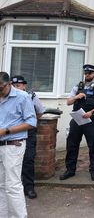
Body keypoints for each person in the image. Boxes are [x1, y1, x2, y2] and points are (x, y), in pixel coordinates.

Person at [60, 64, 94, 181]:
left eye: (89, 73)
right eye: (86, 73)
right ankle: (70, 170)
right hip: (77, 120)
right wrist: (77, 97)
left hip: (91, 120)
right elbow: (68, 102)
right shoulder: (77, 86)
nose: (87, 75)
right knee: (72, 145)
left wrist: (92, 112)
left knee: (93, 146)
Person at [0, 72, 36, 218]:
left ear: (9, 84)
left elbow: (32, 122)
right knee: (1, 185)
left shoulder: (22, 97)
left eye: (1, 88)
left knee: (13, 185)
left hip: (13, 145)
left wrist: (6, 130)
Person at [11, 75, 45, 199]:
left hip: (28, 132)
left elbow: (40, 111)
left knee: (28, 159)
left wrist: (30, 121)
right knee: (11, 160)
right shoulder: (9, 97)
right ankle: (14, 188)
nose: (16, 88)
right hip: (12, 132)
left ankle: (29, 187)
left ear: (24, 86)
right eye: (13, 86)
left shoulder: (31, 96)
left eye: (18, 85)